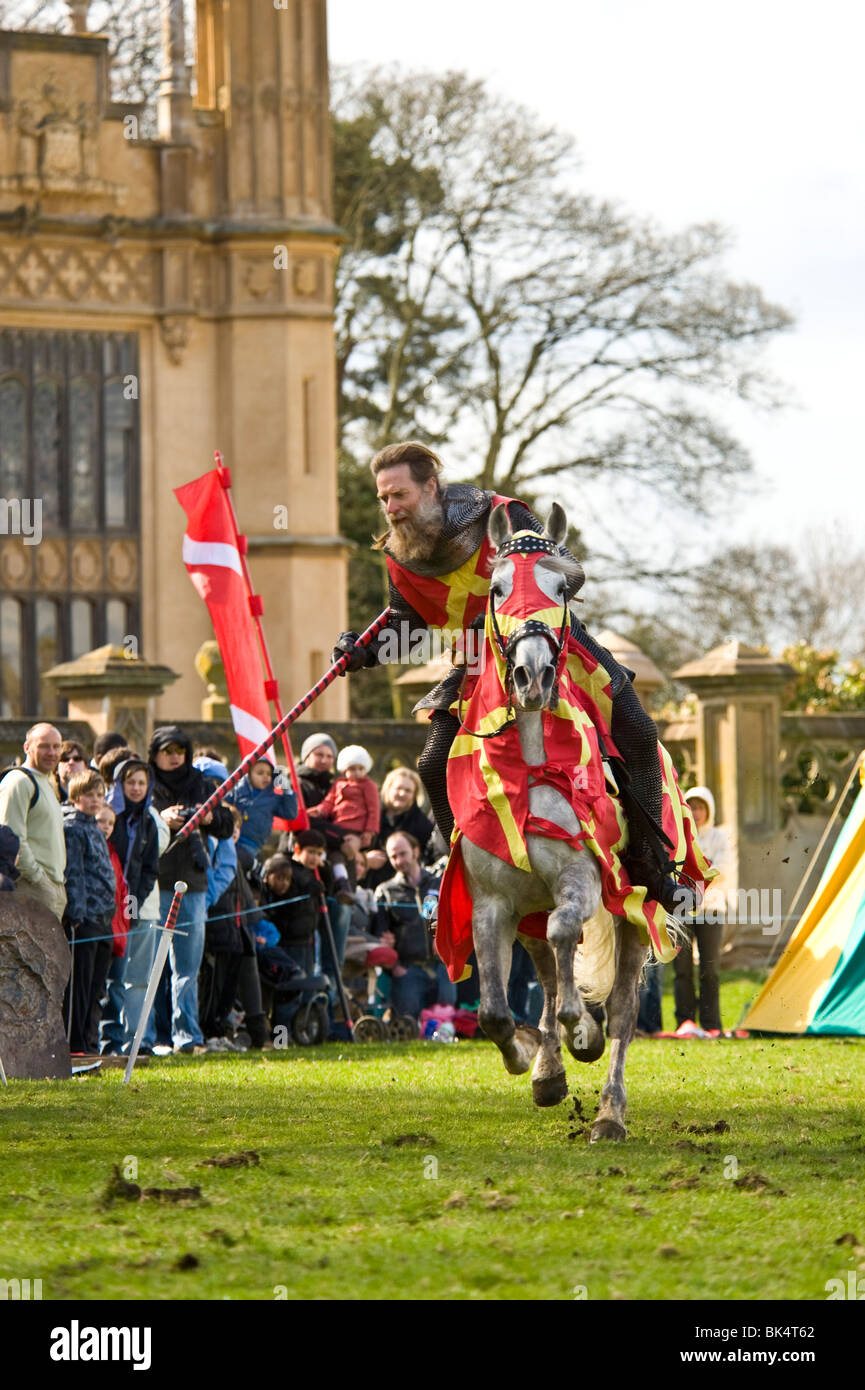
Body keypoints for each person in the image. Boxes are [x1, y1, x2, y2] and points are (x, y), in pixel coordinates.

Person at [332, 440, 694, 915]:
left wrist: (511, 609)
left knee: (640, 732)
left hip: (549, 644)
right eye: (383, 499)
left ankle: (649, 862)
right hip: (478, 662)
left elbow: (570, 571)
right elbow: (407, 621)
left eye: (399, 495)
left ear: (431, 488)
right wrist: (362, 651)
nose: (390, 509)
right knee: (431, 762)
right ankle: (456, 868)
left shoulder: (501, 514)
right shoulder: (401, 556)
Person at [147, 725, 234, 1053]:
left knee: (187, 967)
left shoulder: (201, 785)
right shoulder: (146, 783)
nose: (173, 758)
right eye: (166, 752)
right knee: (152, 965)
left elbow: (226, 825)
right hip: (154, 884)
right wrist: (159, 818)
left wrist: (209, 819)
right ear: (155, 754)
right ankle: (152, 1037)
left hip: (192, 884)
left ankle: (187, 1037)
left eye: (179, 752)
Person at [100, 756, 163, 1054]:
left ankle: (136, 1041)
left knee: (138, 978)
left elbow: (150, 867)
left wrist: (133, 901)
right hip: (105, 909)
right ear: (119, 784)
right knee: (112, 978)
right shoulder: (109, 815)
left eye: (141, 782)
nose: (136, 788)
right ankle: (108, 1040)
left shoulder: (149, 820)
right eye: (130, 782)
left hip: (135, 909)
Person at [61, 770, 117, 1054]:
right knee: (80, 986)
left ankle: (90, 1042)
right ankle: (75, 1045)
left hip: (104, 918)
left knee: (97, 987)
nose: (95, 800)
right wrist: (78, 916)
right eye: (89, 795)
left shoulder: (95, 828)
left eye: (99, 794)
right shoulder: (72, 828)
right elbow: (75, 876)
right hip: (86, 921)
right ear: (75, 797)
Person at [374, 830, 454, 1020]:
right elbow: (381, 935)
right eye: (393, 857)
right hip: (407, 971)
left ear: (415, 851)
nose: (399, 860)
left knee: (444, 1026)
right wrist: (395, 967)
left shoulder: (437, 883)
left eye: (403, 854)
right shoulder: (386, 891)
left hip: (441, 967)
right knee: (408, 1026)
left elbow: (445, 919)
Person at [672, 786, 733, 1035]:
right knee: (682, 969)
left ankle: (711, 1024)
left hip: (711, 909)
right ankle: (685, 1022)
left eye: (700, 808)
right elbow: (673, 869)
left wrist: (694, 881)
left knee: (710, 969)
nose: (696, 813)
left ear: (708, 811)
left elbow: (723, 870)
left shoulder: (719, 838)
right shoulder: (678, 835)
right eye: (692, 808)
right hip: (682, 909)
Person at [0, 722, 66, 921]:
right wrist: (39, 879)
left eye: (57, 746)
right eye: (44, 746)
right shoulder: (18, 781)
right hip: (31, 887)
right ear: (27, 747)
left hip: (51, 888)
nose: (52, 752)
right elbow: (10, 838)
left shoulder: (47, 780)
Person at [227, 756, 298, 873]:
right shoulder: (236, 793)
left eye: (269, 774)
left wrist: (287, 790)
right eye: (260, 773)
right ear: (247, 774)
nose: (265, 776)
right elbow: (222, 803)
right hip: (231, 840)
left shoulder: (273, 799)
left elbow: (290, 813)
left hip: (252, 846)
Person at [315, 745, 380, 847]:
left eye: (361, 769)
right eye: (352, 769)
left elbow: (374, 810)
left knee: (349, 848)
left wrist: (369, 831)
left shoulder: (368, 785)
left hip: (357, 828)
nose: (357, 772)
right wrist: (319, 811)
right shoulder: (338, 783)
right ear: (345, 770)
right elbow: (329, 801)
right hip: (338, 826)